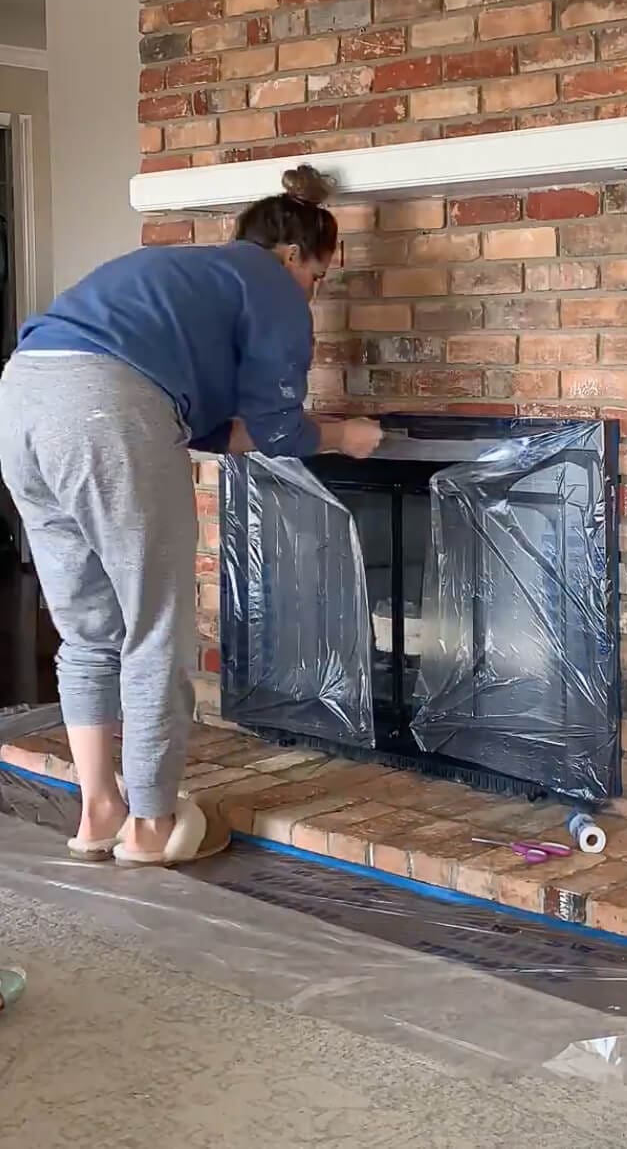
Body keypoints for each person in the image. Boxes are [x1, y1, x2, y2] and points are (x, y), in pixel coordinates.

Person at [0, 165, 382, 868]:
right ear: (293, 255)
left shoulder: (187, 281)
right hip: (104, 409)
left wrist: (297, 429)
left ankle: (96, 810)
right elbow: (272, 429)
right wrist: (344, 437)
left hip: (23, 398)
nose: (313, 296)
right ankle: (149, 826)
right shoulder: (269, 282)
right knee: (156, 623)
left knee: (89, 625)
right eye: (320, 279)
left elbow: (207, 430)